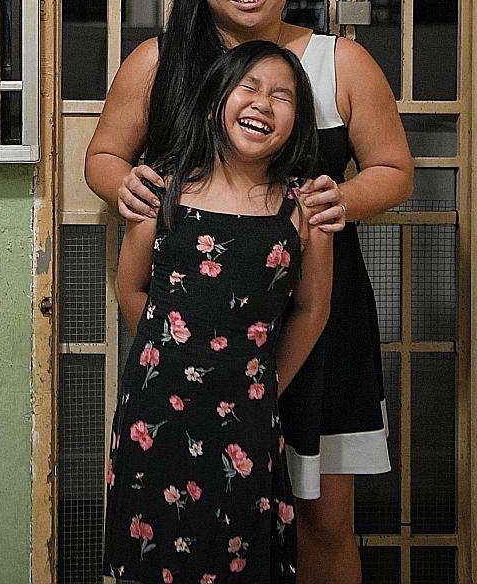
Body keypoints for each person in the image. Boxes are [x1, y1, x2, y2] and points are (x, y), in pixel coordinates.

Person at [86, 0, 413, 584]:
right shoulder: (160, 59)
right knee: (195, 512)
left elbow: (393, 171)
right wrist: (125, 185)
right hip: (203, 329)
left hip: (318, 318)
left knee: (323, 516)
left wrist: (341, 197)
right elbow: (104, 156)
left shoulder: (339, 63)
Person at [102, 40, 330, 583]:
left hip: (247, 417)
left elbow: (312, 310)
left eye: (283, 96)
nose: (262, 104)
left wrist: (266, 384)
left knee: (237, 559)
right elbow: (130, 286)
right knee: (152, 556)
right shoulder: (164, 189)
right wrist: (172, 357)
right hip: (155, 413)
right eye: (248, 87)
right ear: (212, 104)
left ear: (298, 122)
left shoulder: (305, 209)